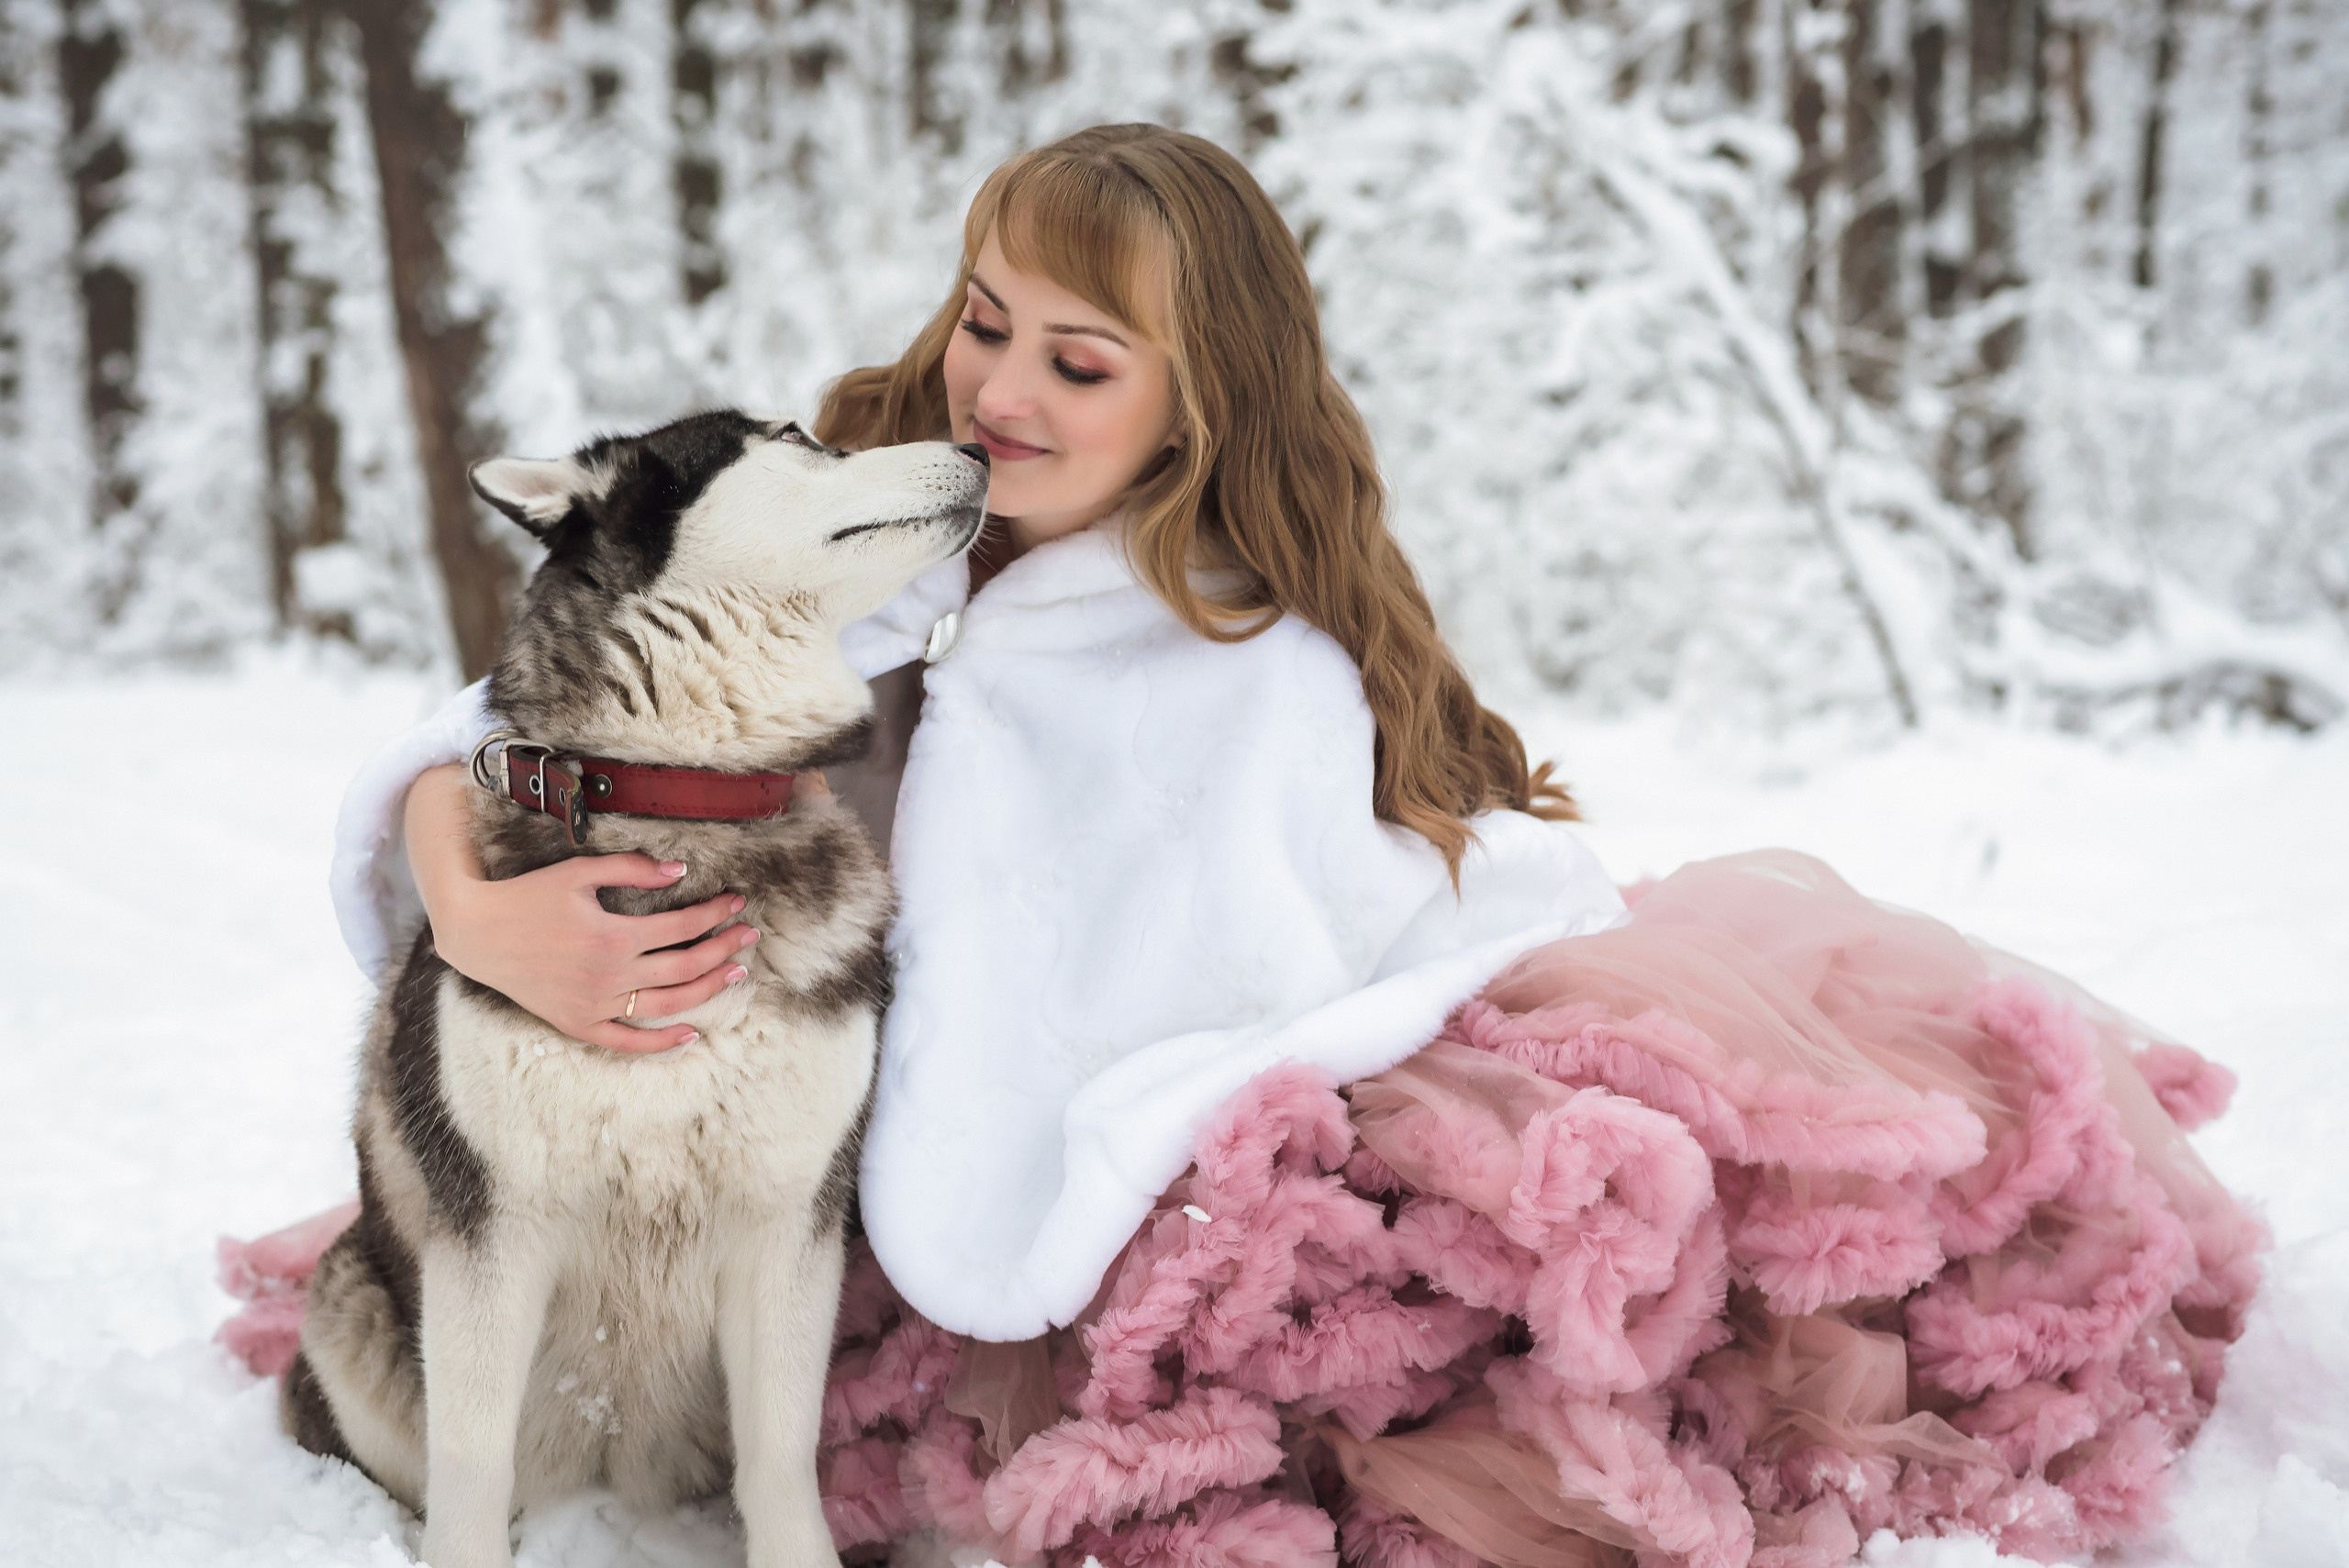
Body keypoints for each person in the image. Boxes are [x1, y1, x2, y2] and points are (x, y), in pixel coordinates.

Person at [226, 125, 2264, 1568]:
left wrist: (1045, 1130)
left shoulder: (1230, 645)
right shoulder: (864, 510)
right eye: (986, 320)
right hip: (792, 1113)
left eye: (1077, 364)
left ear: (1197, 407)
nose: (1000, 389)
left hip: (1100, 1139)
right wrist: (482, 903)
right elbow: (514, 724)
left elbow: (1188, 944)